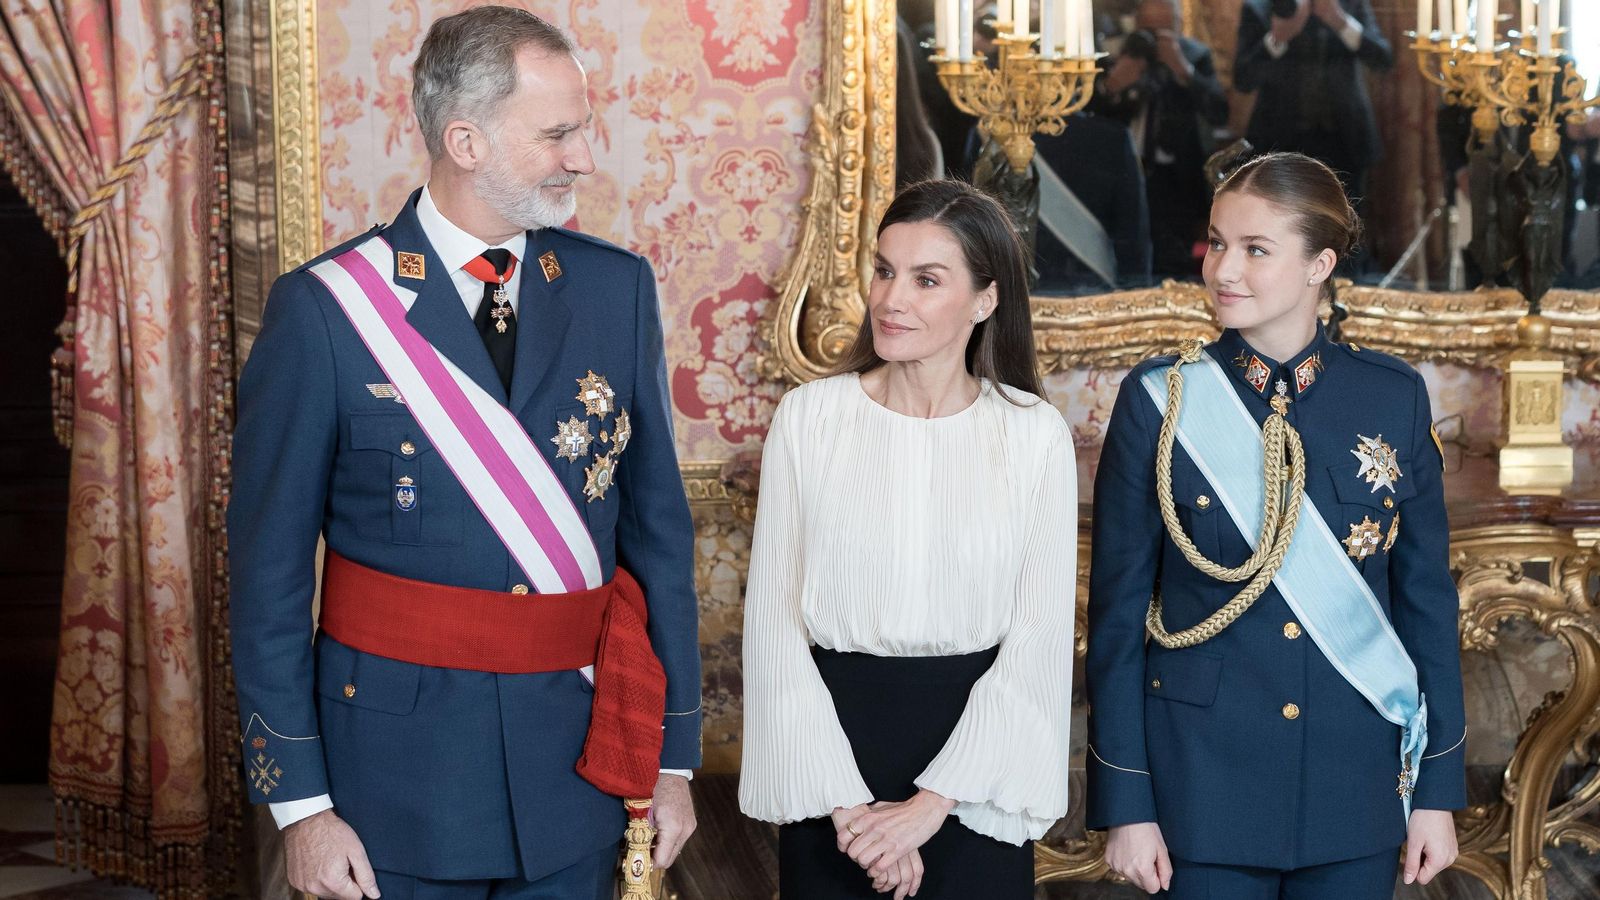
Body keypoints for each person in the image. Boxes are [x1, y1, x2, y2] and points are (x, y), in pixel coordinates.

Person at [228, 7, 701, 898]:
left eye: (583, 129)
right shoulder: (325, 311)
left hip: (578, 769)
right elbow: (269, 577)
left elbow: (659, 543)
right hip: (393, 782)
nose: (584, 157)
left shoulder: (616, 291)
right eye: (557, 134)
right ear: (466, 141)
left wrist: (672, 759)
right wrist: (302, 808)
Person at [1085, 152, 1465, 897]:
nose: (1223, 269)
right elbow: (1118, 619)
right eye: (1218, 243)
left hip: (1353, 779)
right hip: (1199, 782)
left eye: (1256, 249)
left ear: (1320, 264)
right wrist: (1127, 802)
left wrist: (1436, 792)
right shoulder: (1160, 400)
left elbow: (1427, 606)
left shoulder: (1392, 397)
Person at [738, 179, 1077, 899]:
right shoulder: (808, 419)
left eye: (927, 280)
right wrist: (851, 814)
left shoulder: (1034, 435)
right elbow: (772, 626)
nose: (891, 299)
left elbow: (1038, 640)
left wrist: (930, 807)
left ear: (985, 300)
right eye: (885, 270)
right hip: (830, 770)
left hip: (978, 781)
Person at [1094, 0, 1229, 279]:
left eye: (1164, 30)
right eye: (1149, 30)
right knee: (1124, 254)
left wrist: (1183, 70)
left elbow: (1219, 111)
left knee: (1174, 261)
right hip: (1123, 170)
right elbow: (1090, 117)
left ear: (1179, 26)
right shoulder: (1118, 54)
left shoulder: (1194, 55)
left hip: (1176, 179)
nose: (1155, 39)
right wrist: (1112, 86)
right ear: (1136, 26)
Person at [1234, 0, 1393, 214]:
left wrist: (1341, 22)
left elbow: (1383, 60)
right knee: (1281, 223)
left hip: (1345, 141)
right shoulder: (1259, 7)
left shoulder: (1351, 3)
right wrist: (1276, 40)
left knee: (1347, 223)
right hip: (1279, 145)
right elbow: (1242, 80)